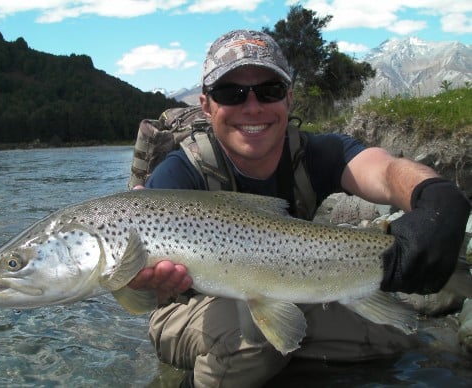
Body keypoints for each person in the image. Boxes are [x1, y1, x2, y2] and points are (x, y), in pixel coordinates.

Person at [128, 30, 471, 387]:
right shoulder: (179, 173)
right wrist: (143, 284)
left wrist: (435, 195)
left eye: (269, 90)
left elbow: (384, 170)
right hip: (189, 307)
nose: (252, 106)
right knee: (254, 342)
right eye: (231, 93)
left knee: (393, 341)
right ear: (206, 105)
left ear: (289, 99)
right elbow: (138, 291)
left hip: (290, 285)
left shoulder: (317, 152)